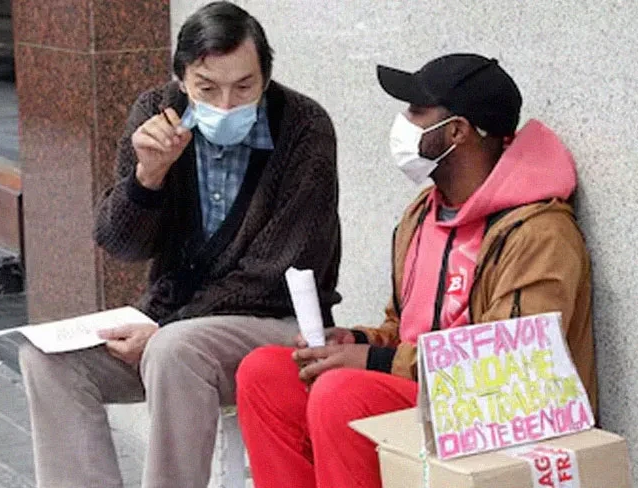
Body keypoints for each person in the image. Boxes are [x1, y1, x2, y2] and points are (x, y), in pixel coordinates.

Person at [235, 53, 596, 488]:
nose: (402, 123)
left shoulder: (538, 232)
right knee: (265, 373)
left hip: (503, 417)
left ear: (458, 131)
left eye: (416, 111)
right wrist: (360, 341)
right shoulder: (422, 214)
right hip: (427, 396)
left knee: (341, 395)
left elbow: (509, 369)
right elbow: (404, 328)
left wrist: (376, 362)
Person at [18, 2, 341, 487]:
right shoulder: (155, 113)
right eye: (207, 88)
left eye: (244, 87)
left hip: (276, 323)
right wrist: (147, 177)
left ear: (266, 78)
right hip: (174, 321)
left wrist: (164, 324)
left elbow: (276, 270)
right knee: (47, 359)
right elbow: (119, 243)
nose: (227, 105)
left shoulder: (304, 127)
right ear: (182, 79)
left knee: (173, 349)